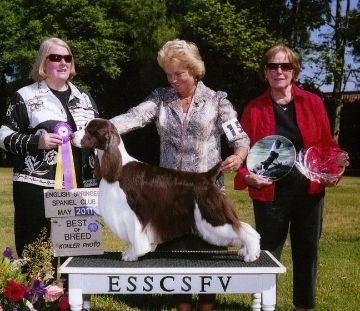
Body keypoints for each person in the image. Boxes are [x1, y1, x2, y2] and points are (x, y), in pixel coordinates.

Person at [110, 39, 250, 311]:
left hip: (206, 190)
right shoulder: (160, 98)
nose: (173, 80)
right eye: (168, 73)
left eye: (179, 73)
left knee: (209, 259)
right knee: (175, 259)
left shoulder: (217, 99)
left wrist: (239, 155)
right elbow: (133, 117)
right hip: (169, 194)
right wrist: (101, 127)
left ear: (194, 70)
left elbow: (239, 135)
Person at [234, 45, 344, 311]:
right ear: (265, 72)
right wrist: (246, 177)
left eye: (285, 66)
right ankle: (263, 304)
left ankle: (302, 306)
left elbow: (328, 146)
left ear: (294, 71)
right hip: (270, 192)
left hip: (309, 191)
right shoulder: (253, 108)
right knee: (268, 253)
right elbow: (243, 153)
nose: (279, 71)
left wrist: (334, 167)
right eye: (273, 66)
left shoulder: (313, 102)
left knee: (307, 253)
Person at [0, 37, 99, 257]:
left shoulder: (85, 98)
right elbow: (3, 136)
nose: (63, 63)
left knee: (78, 247)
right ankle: (39, 292)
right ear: (43, 63)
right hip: (35, 188)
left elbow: (99, 139)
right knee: (36, 250)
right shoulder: (25, 96)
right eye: (55, 58)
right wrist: (36, 142)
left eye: (67, 58)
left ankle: (75, 291)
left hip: (82, 187)